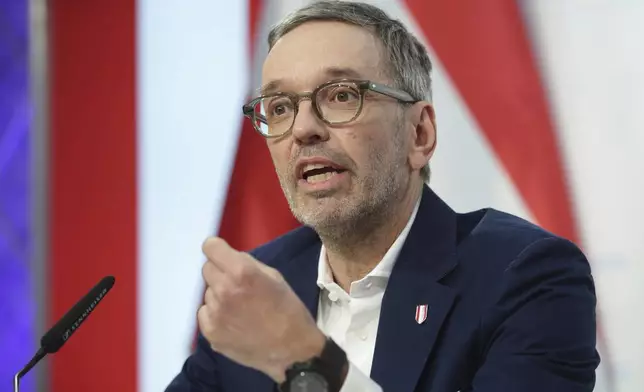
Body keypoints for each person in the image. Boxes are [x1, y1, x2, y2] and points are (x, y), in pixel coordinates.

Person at [166, 1, 600, 391]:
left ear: (419, 133)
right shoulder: (257, 286)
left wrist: (307, 359)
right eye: (280, 107)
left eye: (341, 96)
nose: (302, 129)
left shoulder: (526, 277)